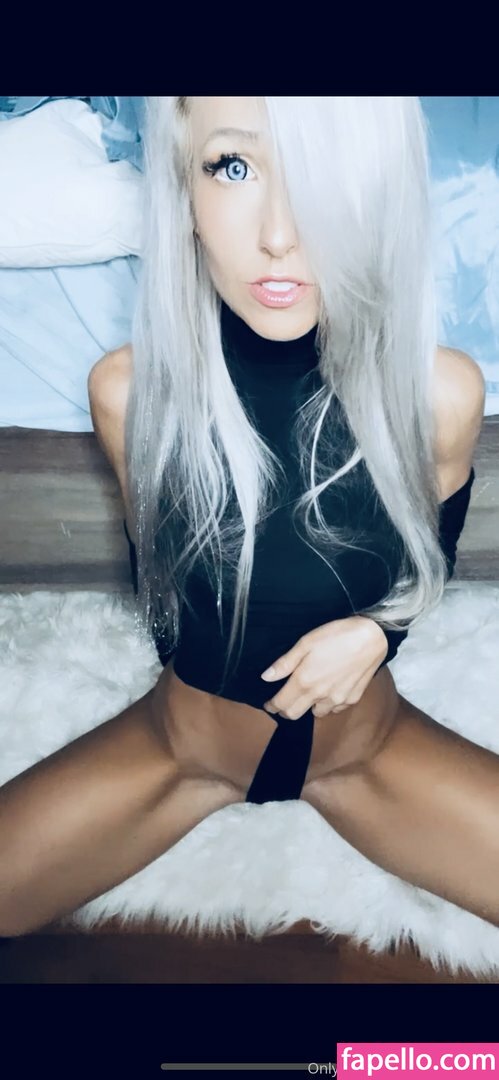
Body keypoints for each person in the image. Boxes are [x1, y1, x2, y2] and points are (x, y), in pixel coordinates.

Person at [0, 96, 494, 941]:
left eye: (323, 177)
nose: (279, 235)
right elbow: (160, 580)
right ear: (182, 189)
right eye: (232, 167)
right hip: (181, 751)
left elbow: (430, 555)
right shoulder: (127, 393)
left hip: (368, 753)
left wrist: (378, 633)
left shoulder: (439, 394)